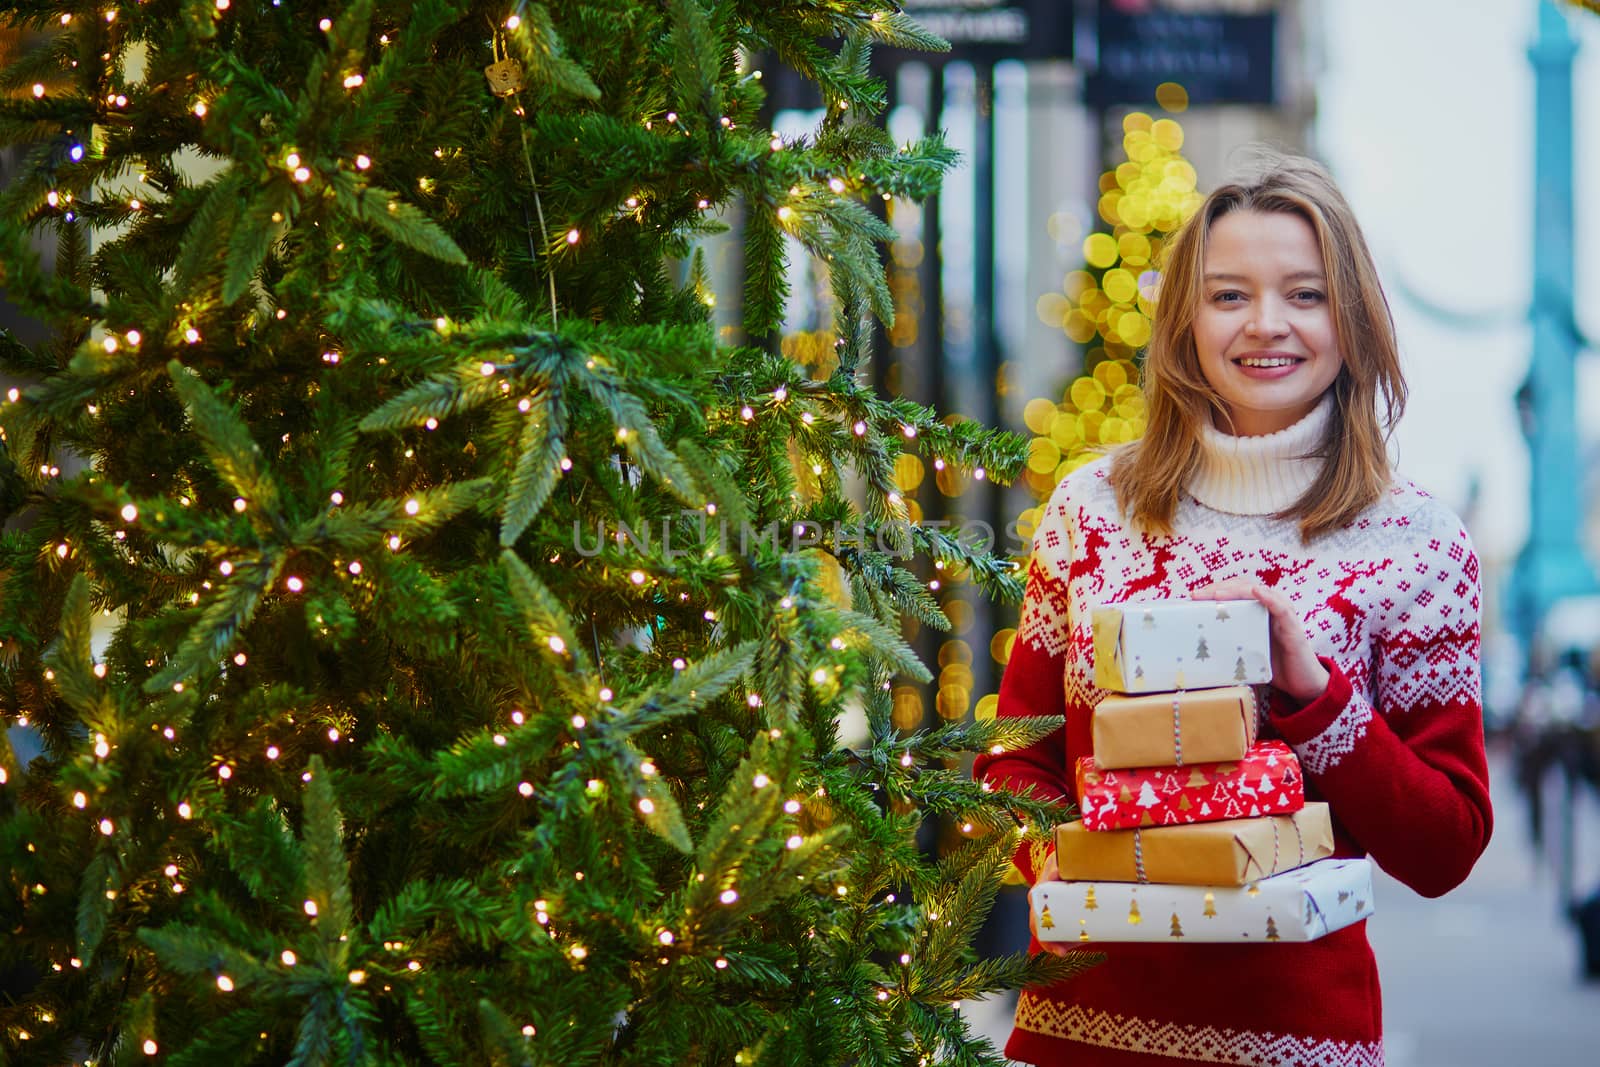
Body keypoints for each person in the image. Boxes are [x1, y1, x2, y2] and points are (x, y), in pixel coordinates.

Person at [973, 152, 1492, 1066]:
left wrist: (1317, 695)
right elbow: (1017, 757)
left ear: (1352, 315)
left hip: (1297, 1042)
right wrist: (1068, 865)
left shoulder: (1417, 542)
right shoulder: (1092, 508)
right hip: (1081, 1031)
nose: (1266, 325)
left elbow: (1445, 844)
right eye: (1228, 296)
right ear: (1186, 320)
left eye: (1304, 293)